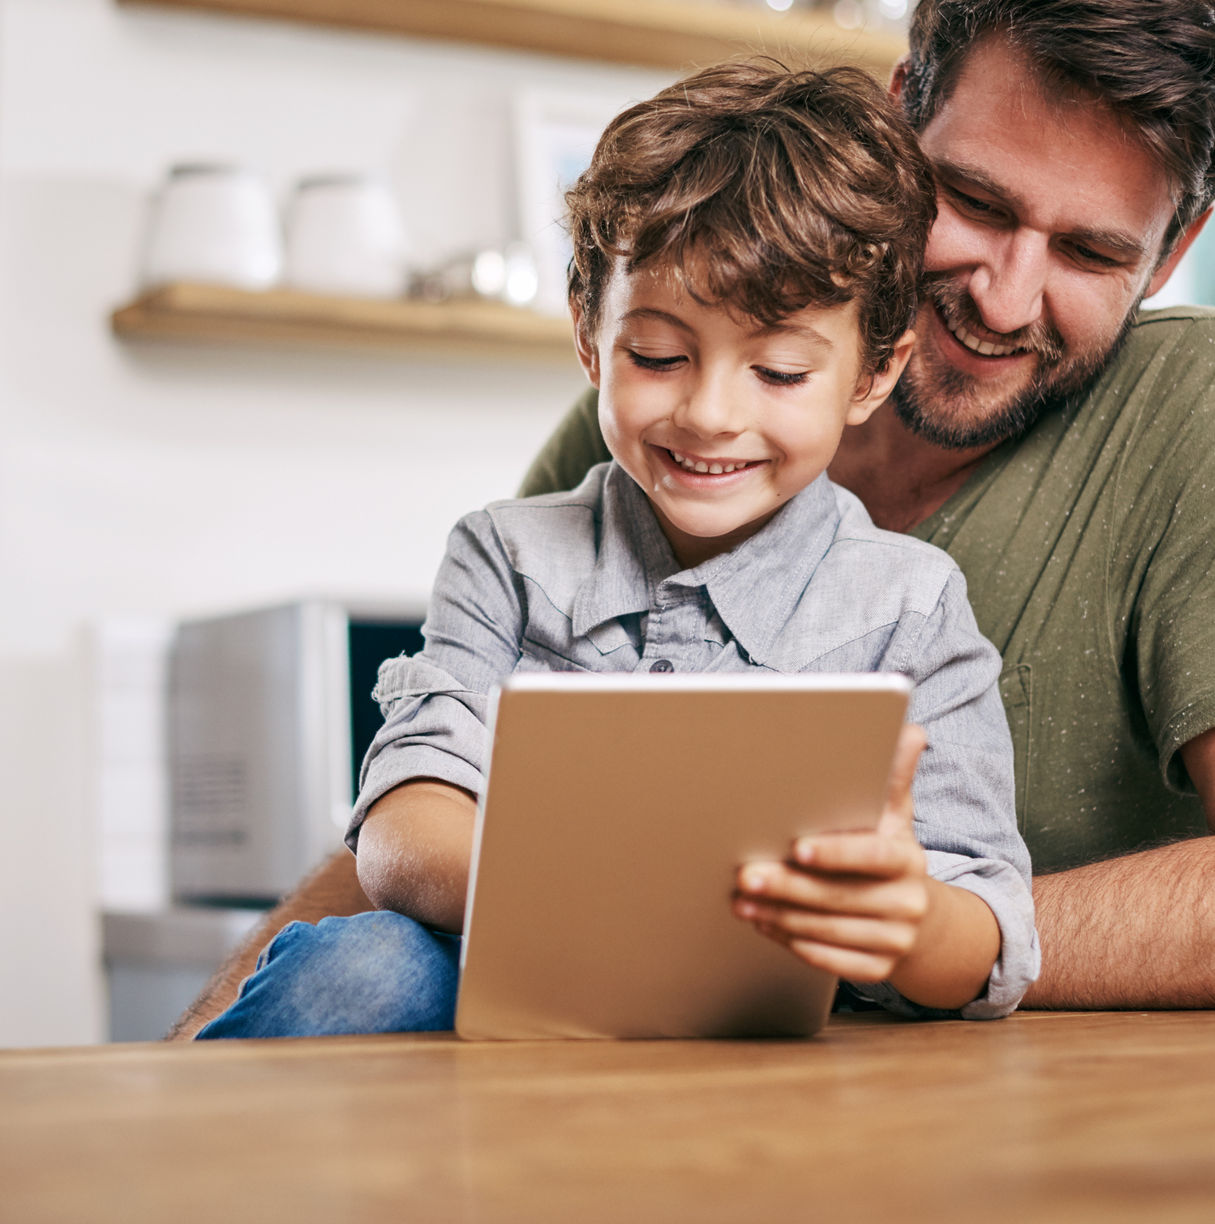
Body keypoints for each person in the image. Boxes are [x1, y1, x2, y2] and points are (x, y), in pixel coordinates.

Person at [172, 0, 1215, 1037]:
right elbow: (428, 804)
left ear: (1173, 248)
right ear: (895, 121)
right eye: (975, 200)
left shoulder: (1189, 404)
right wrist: (182, 1066)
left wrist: (881, 934)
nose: (1003, 295)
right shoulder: (645, 443)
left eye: (1090, 252)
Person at [196, 61, 1037, 1038]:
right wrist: (617, 890)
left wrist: (909, 919)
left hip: (780, 1044)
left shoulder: (910, 607)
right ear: (590, 338)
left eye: (777, 370)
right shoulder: (507, 558)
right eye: (658, 357)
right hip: (520, 998)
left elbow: (986, 937)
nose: (709, 413)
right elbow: (402, 830)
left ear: (872, 374)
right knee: (364, 965)